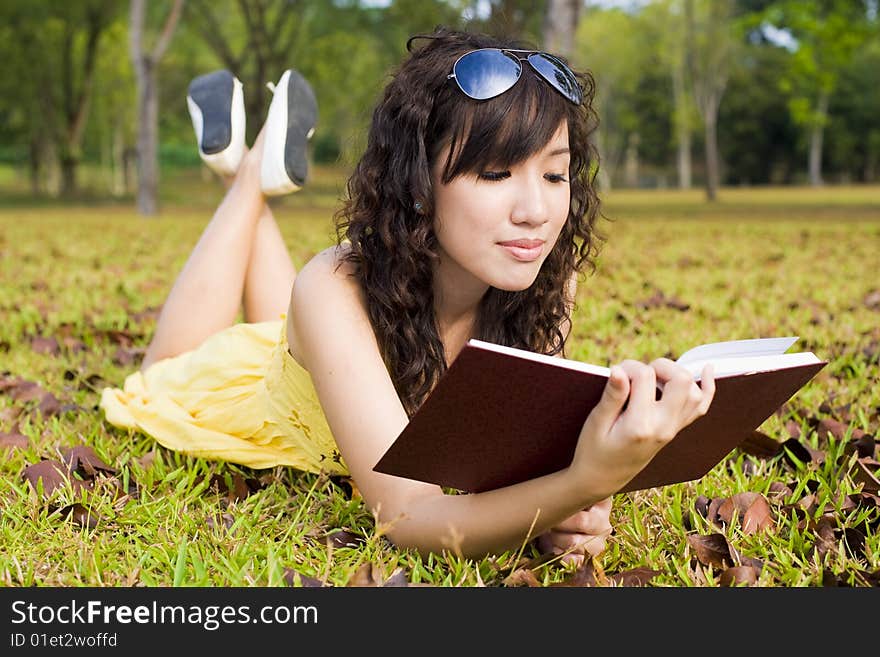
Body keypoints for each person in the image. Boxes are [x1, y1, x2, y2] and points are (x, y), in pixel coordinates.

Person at [101, 27, 715, 565]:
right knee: (160, 376)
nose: (536, 212)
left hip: (327, 357)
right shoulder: (333, 285)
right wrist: (583, 480)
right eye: (496, 173)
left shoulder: (546, 278)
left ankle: (250, 174)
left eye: (554, 174)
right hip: (263, 407)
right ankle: (247, 174)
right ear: (420, 182)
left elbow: (510, 462)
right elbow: (407, 519)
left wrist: (569, 512)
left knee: (295, 319)